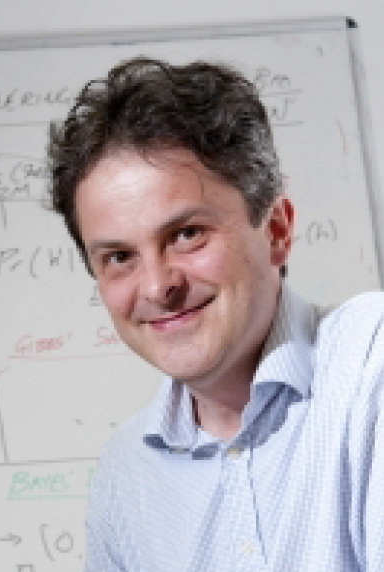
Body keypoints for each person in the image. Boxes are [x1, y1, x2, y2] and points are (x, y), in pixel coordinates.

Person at [49, 57, 384, 572]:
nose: (158, 287)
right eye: (119, 257)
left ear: (276, 231)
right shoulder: (124, 477)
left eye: (187, 235)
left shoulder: (370, 366)